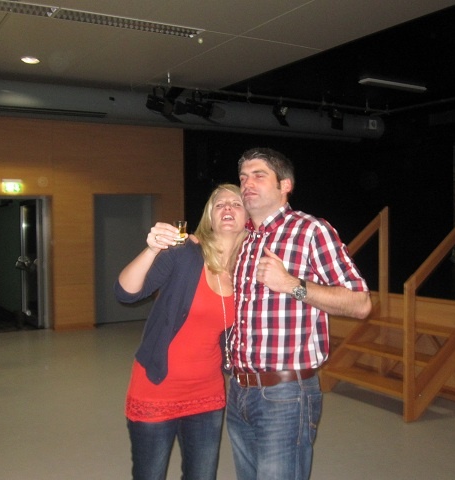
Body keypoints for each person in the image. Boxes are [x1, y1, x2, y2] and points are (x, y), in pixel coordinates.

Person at [226, 147, 372, 480]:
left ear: (285, 185)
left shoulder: (310, 231)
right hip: (238, 390)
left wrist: (292, 285)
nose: (247, 184)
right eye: (243, 177)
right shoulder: (244, 240)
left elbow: (360, 303)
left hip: (285, 394)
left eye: (259, 175)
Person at [114, 184, 247, 480]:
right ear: (209, 216)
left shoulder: (247, 271)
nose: (227, 208)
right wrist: (152, 249)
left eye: (236, 203)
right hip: (157, 387)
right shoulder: (185, 253)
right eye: (219, 204)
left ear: (248, 217)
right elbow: (126, 292)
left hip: (207, 394)